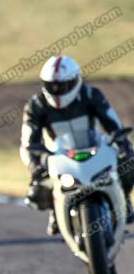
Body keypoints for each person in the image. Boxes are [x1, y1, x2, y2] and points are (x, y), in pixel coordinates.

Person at [21, 55, 134, 235]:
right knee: (36, 193)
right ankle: (56, 212)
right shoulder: (36, 105)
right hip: (59, 156)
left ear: (75, 80)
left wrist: (123, 145)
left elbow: (114, 125)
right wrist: (34, 164)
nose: (57, 91)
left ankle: (124, 199)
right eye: (52, 86)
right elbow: (28, 143)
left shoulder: (91, 95)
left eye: (63, 86)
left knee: (129, 162)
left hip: (93, 149)